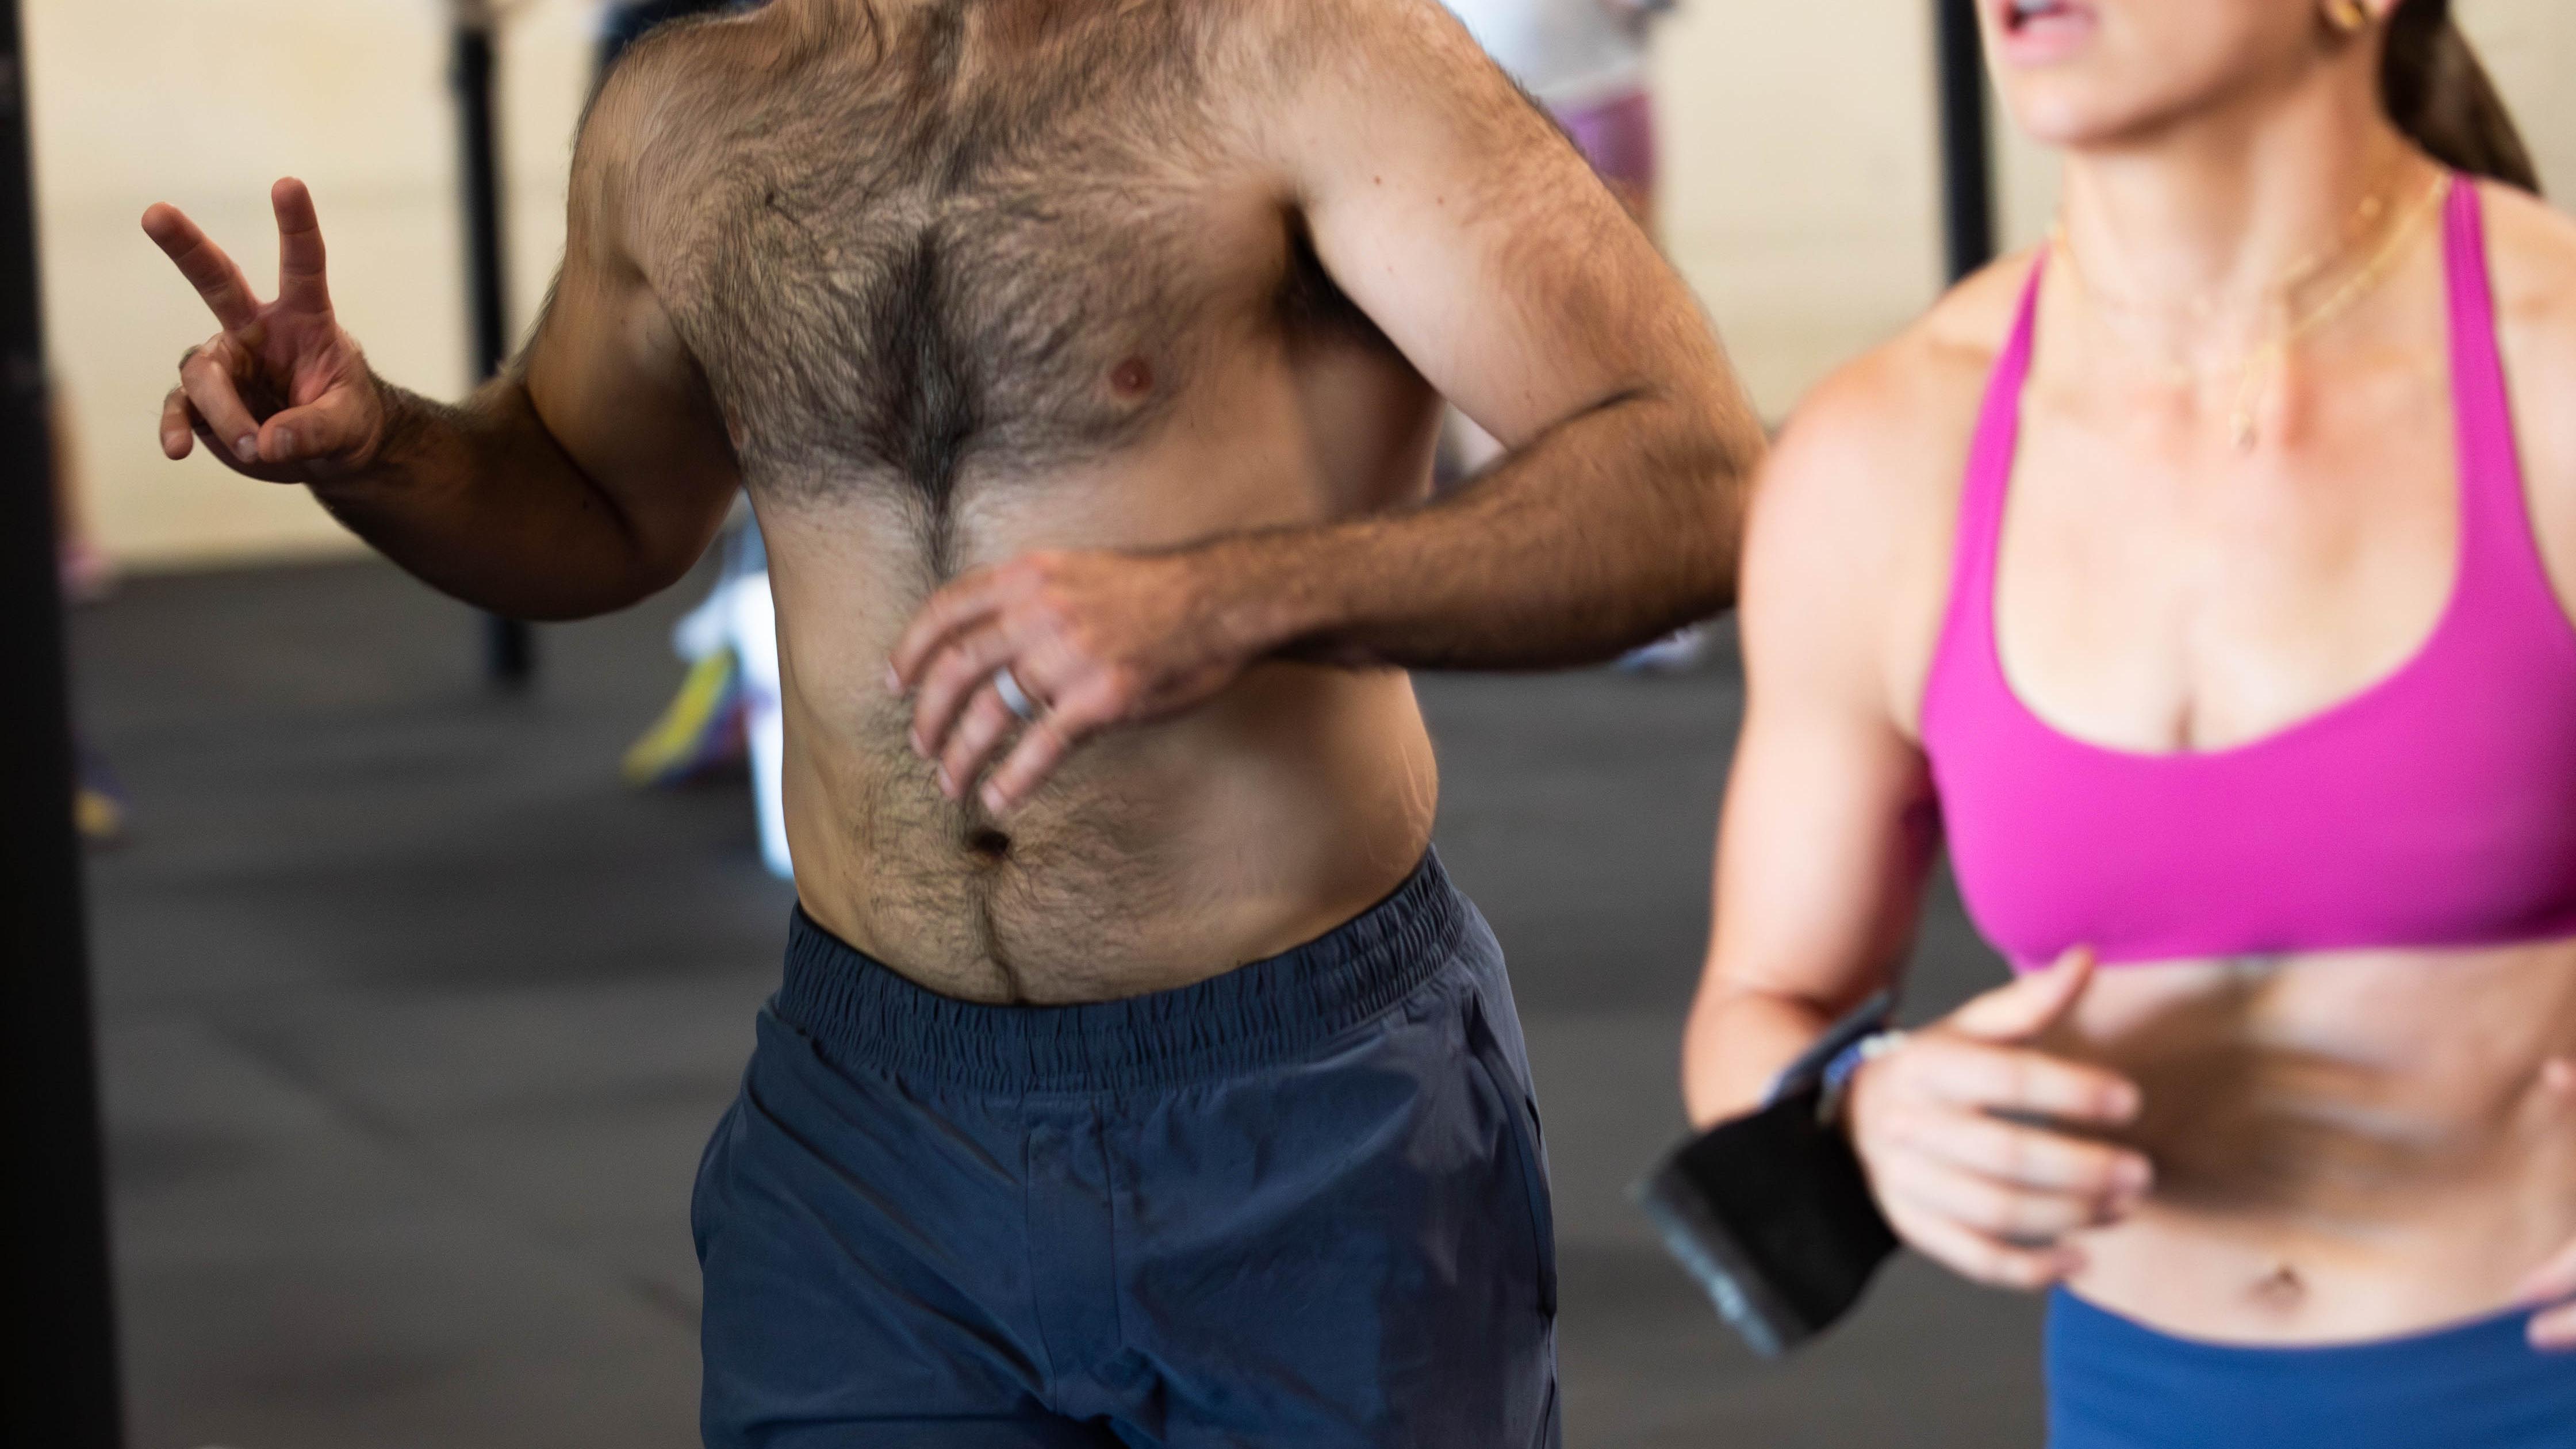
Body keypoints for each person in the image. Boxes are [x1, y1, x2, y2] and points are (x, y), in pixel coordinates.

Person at [144, 0, 1763, 1442]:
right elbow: (590, 499)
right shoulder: (687, 113)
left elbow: (1696, 477)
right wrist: (378, 448)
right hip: (871, 1131)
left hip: (1302, 1110)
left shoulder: (1305, 55)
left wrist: (1231, 598)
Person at [1684, 1, 2576, 1445]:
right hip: (2141, 1402)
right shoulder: (1886, 454)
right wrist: (1856, 1106)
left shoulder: (2551, 373)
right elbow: (1758, 1001)